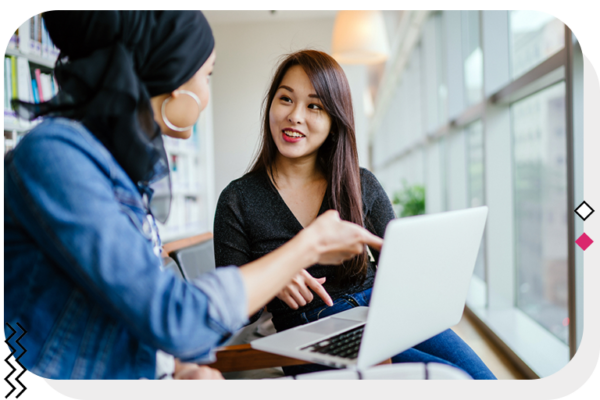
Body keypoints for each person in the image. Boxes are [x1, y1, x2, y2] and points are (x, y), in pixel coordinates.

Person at [2, 11, 383, 380]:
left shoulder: (113, 170)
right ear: (172, 78)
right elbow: (172, 316)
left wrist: (179, 368)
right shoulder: (56, 159)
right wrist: (306, 247)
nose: (205, 95)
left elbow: (131, 309)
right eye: (207, 75)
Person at [213, 49, 496, 379]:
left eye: (314, 106)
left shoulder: (359, 183)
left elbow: (402, 265)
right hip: (310, 329)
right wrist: (273, 278)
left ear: (334, 120)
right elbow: (231, 315)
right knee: (449, 379)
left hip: (385, 310)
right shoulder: (237, 199)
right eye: (285, 99)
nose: (295, 116)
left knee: (483, 380)